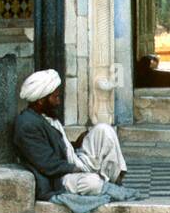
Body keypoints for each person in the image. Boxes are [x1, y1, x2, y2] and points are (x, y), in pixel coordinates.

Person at [13, 69, 127, 202]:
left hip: (74, 160)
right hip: (60, 177)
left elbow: (57, 147)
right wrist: (76, 169)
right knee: (92, 182)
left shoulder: (46, 116)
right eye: (55, 97)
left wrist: (75, 144)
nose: (58, 102)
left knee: (104, 130)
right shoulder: (27, 125)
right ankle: (103, 182)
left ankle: (114, 181)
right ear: (40, 101)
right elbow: (47, 164)